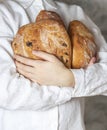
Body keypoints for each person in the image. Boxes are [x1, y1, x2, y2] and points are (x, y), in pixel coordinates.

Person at [0, 0, 107, 130]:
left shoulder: (76, 13)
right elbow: (8, 92)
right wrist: (71, 85)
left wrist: (69, 78)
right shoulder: (5, 15)